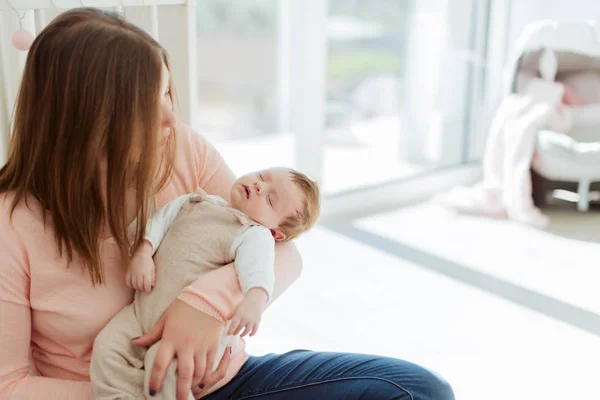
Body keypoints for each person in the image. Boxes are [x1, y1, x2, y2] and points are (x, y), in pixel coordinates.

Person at [0, 7, 454, 400]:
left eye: (166, 92)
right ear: (90, 119)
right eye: (146, 103)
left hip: (227, 382)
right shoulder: (12, 227)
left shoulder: (180, 149)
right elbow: (10, 385)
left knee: (416, 390)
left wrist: (203, 306)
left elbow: (280, 250)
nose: (170, 117)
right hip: (108, 393)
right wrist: (137, 391)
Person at [91, 167, 320, 400]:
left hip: (192, 335)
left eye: (270, 199)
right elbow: (157, 223)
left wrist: (255, 299)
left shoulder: (253, 233)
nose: (260, 186)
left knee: (167, 369)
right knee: (107, 347)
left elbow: (259, 270)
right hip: (141, 312)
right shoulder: (195, 201)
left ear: (277, 233)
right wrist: (142, 253)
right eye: (263, 176)